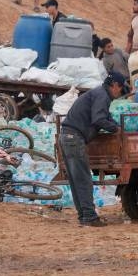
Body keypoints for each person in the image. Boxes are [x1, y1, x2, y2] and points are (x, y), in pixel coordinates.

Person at [58, 73, 126, 226]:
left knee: (77, 180)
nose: (120, 93)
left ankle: (84, 215)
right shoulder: (102, 95)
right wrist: (116, 129)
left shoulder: (98, 93)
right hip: (74, 139)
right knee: (83, 179)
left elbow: (105, 116)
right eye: (121, 89)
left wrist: (116, 125)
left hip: (67, 137)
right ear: (114, 85)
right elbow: (99, 119)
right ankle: (88, 216)